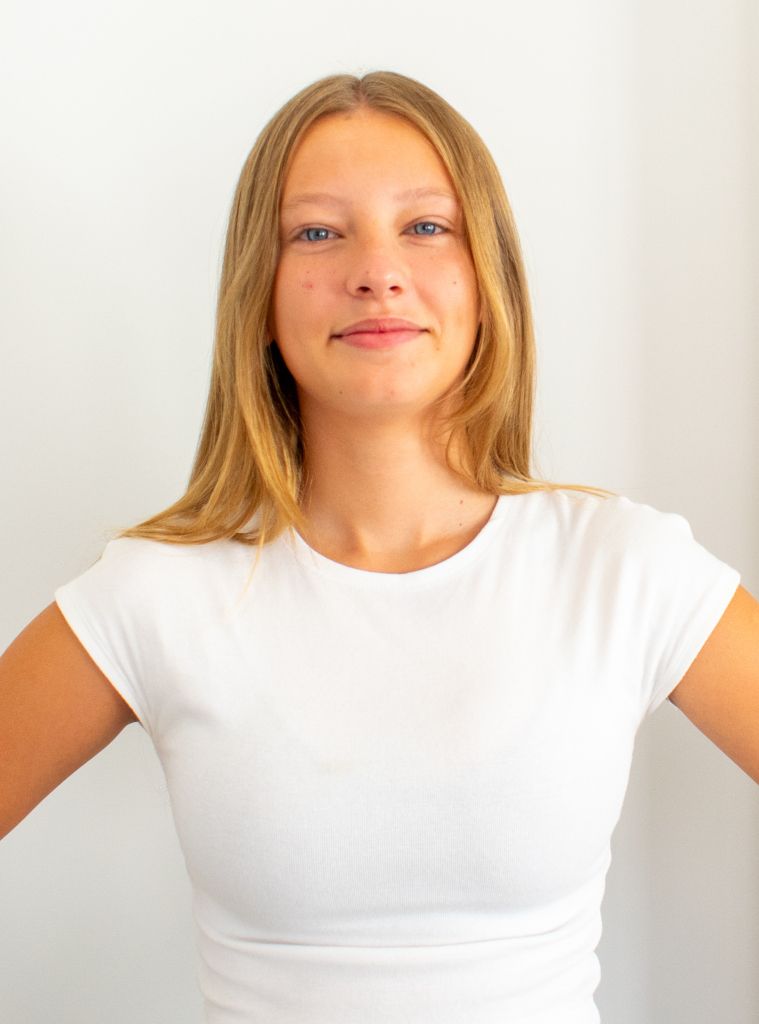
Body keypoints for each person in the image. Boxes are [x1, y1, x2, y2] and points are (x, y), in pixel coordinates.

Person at [1, 70, 757, 1024]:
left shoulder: (624, 569)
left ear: (488, 279)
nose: (376, 272)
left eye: (425, 226)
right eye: (318, 233)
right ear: (258, 291)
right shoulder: (155, 594)